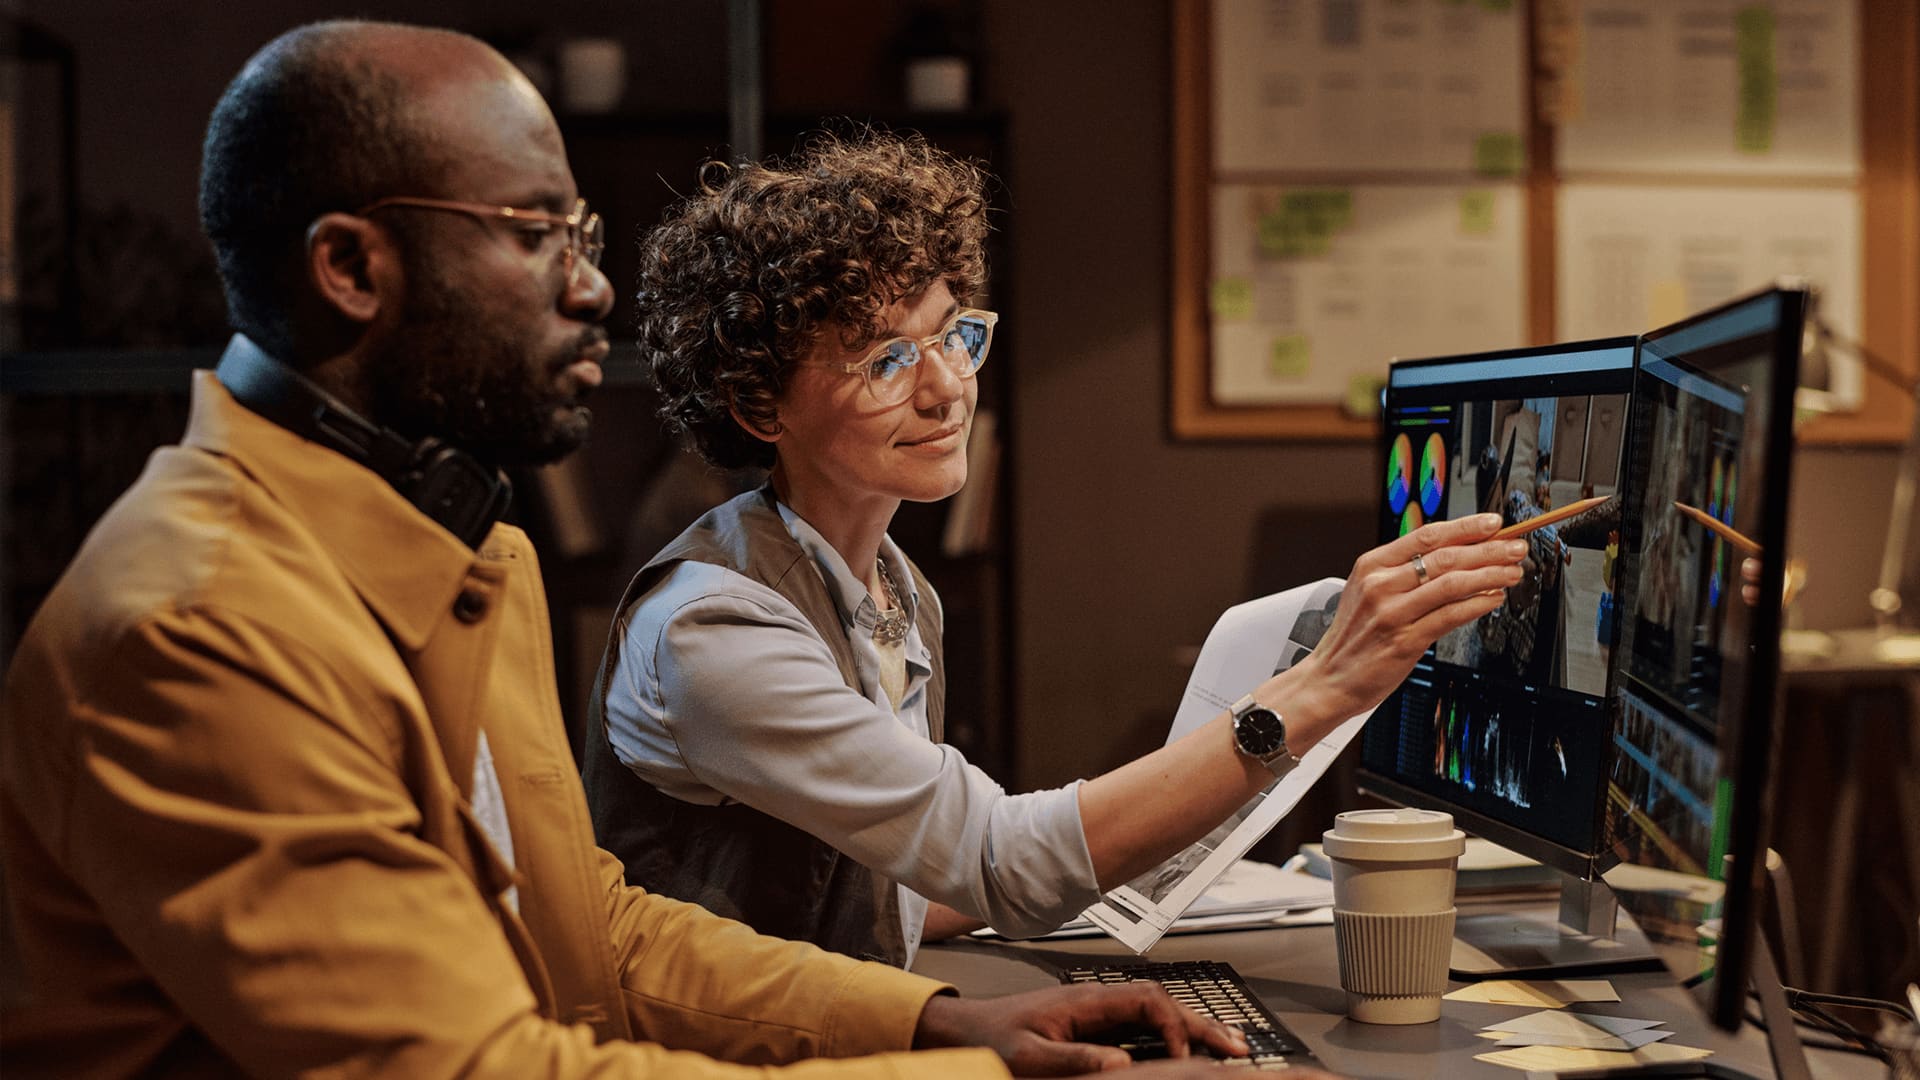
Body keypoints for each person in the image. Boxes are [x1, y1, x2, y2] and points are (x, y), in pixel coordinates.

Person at [0, 22, 1267, 1078]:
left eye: (584, 237)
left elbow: (587, 934)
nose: (594, 288)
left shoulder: (450, 551)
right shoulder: (202, 619)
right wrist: (967, 1073)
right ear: (349, 267)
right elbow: (472, 1070)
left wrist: (944, 1019)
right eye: (534, 232)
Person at [583, 132, 1529, 966]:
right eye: (886, 360)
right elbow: (999, 859)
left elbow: (905, 874)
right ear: (759, 406)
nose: (949, 388)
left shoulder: (897, 591)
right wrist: (1326, 683)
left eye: (954, 335)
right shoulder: (714, 628)